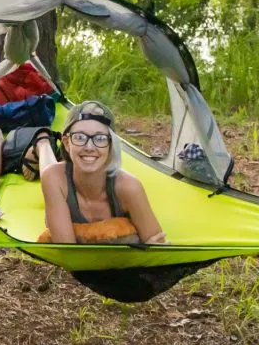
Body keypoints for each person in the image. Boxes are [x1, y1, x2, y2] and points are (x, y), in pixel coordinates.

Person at [39, 101, 167, 245]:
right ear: (67, 143)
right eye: (80, 137)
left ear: (111, 145)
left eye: (100, 139)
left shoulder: (129, 187)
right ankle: (42, 142)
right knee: (48, 169)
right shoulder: (53, 178)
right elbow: (67, 250)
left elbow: (158, 245)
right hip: (58, 173)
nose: (89, 147)